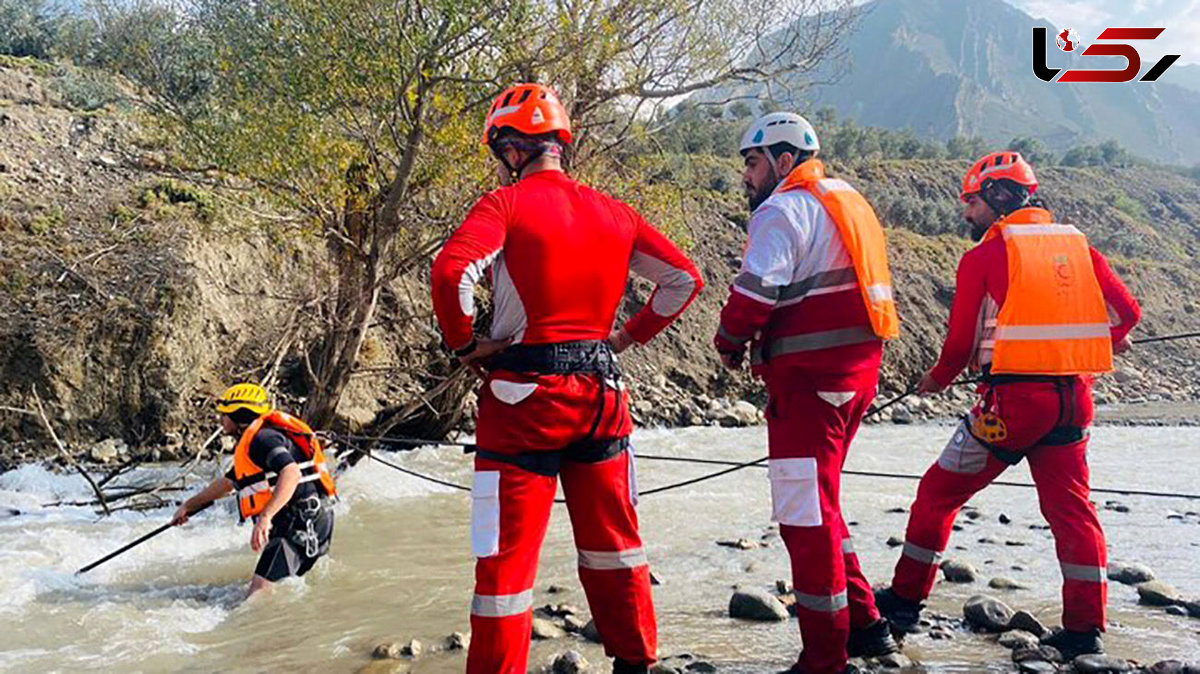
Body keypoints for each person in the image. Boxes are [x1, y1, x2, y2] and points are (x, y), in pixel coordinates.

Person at [430, 83, 702, 674]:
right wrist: (625, 338)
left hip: (522, 401)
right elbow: (684, 279)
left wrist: (465, 345)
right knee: (616, 545)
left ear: (511, 146)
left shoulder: (504, 206)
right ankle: (636, 662)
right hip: (603, 397)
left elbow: (452, 271)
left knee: (503, 564)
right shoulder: (617, 212)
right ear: (558, 142)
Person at [874, 151, 1141, 658]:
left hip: (1011, 408)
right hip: (1073, 403)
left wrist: (935, 379)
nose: (965, 213)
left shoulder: (984, 256)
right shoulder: (1077, 244)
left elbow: (956, 348)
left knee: (937, 493)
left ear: (997, 197)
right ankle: (1085, 631)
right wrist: (1112, 337)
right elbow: (1128, 313)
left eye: (971, 201)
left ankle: (906, 601)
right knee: (1072, 514)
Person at [714, 112, 902, 673]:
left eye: (752, 163)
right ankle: (867, 627)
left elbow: (754, 292)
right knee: (823, 505)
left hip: (807, 385)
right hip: (853, 379)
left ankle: (825, 655)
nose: (746, 177)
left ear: (783, 160)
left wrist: (727, 341)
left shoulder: (783, 208)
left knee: (804, 519)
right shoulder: (848, 200)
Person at [171, 383, 337, 595]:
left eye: (225, 414)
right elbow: (229, 482)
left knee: (257, 596)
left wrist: (265, 517)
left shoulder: (262, 439)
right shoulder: (258, 439)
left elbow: (291, 473)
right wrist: (188, 506)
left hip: (300, 524)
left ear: (240, 415)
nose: (221, 419)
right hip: (312, 520)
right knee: (282, 590)